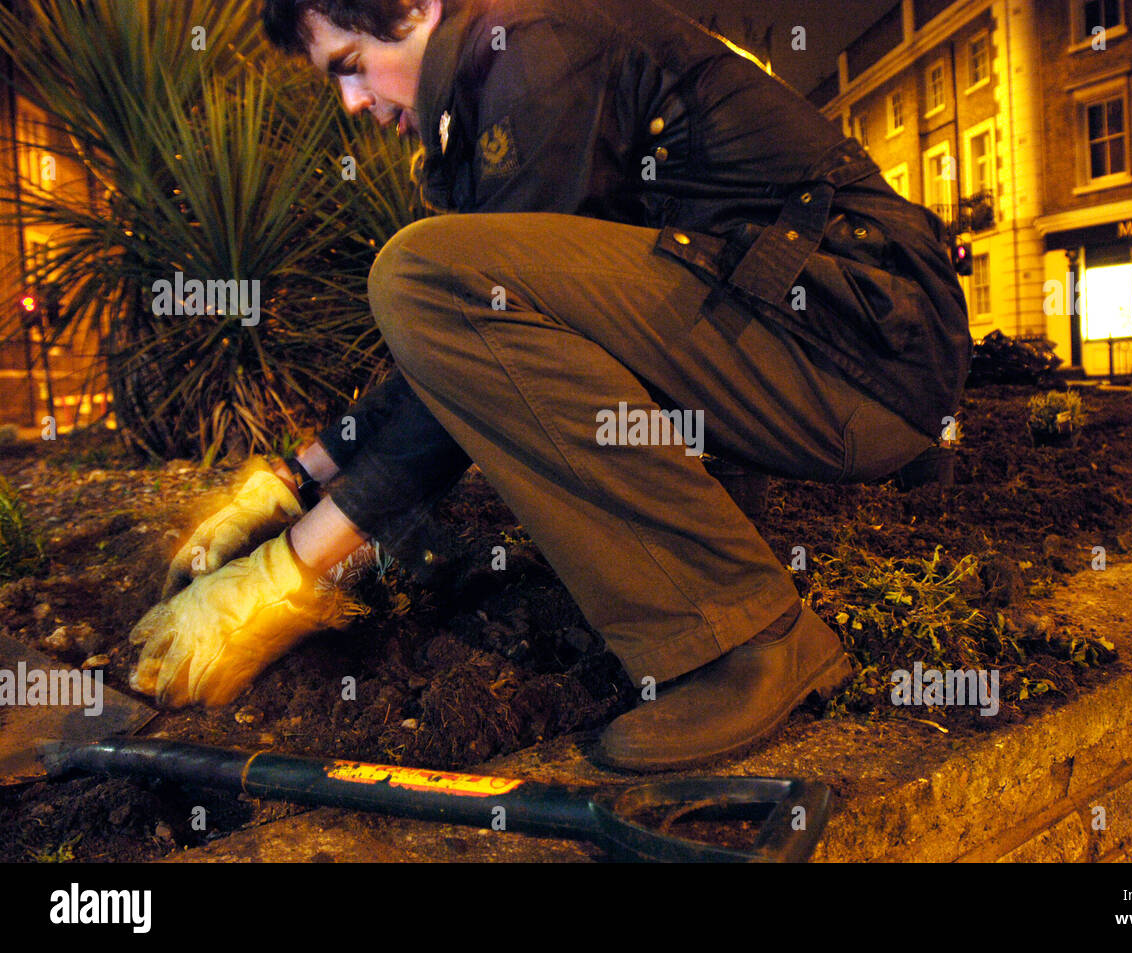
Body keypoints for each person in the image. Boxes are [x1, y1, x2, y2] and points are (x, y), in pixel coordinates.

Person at [129, 0, 972, 772]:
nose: (351, 100)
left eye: (350, 62)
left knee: (423, 274)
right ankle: (718, 594)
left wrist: (287, 572)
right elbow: (460, 357)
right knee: (436, 278)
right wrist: (293, 479)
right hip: (827, 343)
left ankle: (742, 637)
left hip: (858, 351)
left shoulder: (539, 55)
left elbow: (461, 316)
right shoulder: (504, 71)